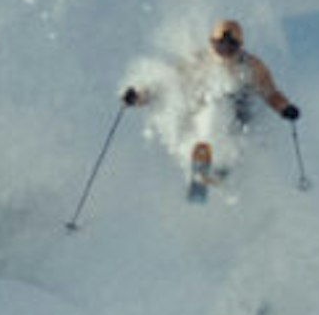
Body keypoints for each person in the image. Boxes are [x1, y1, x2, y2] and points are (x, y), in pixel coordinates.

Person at [121, 19, 301, 201]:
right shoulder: (197, 60)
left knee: (228, 110)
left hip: (238, 113)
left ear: (239, 46)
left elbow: (269, 92)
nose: (225, 50)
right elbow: (166, 82)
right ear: (211, 43)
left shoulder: (252, 65)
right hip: (201, 111)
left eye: (231, 46)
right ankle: (203, 157)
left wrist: (284, 108)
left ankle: (224, 169)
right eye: (220, 45)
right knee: (212, 105)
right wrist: (138, 95)